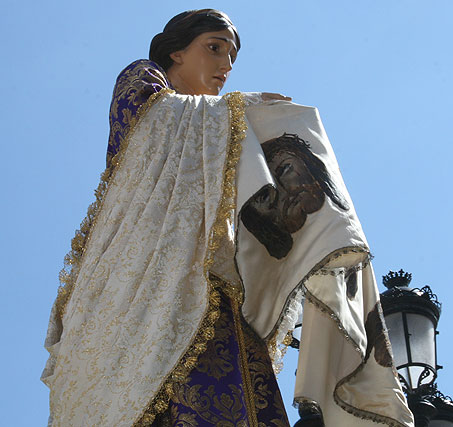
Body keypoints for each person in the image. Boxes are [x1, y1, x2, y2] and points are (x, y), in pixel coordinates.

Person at [42, 9, 415, 427]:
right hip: (141, 278)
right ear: (176, 52)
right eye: (214, 49)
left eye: (232, 59)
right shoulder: (146, 81)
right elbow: (148, 122)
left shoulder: (219, 128)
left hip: (206, 274)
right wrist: (246, 109)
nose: (225, 66)